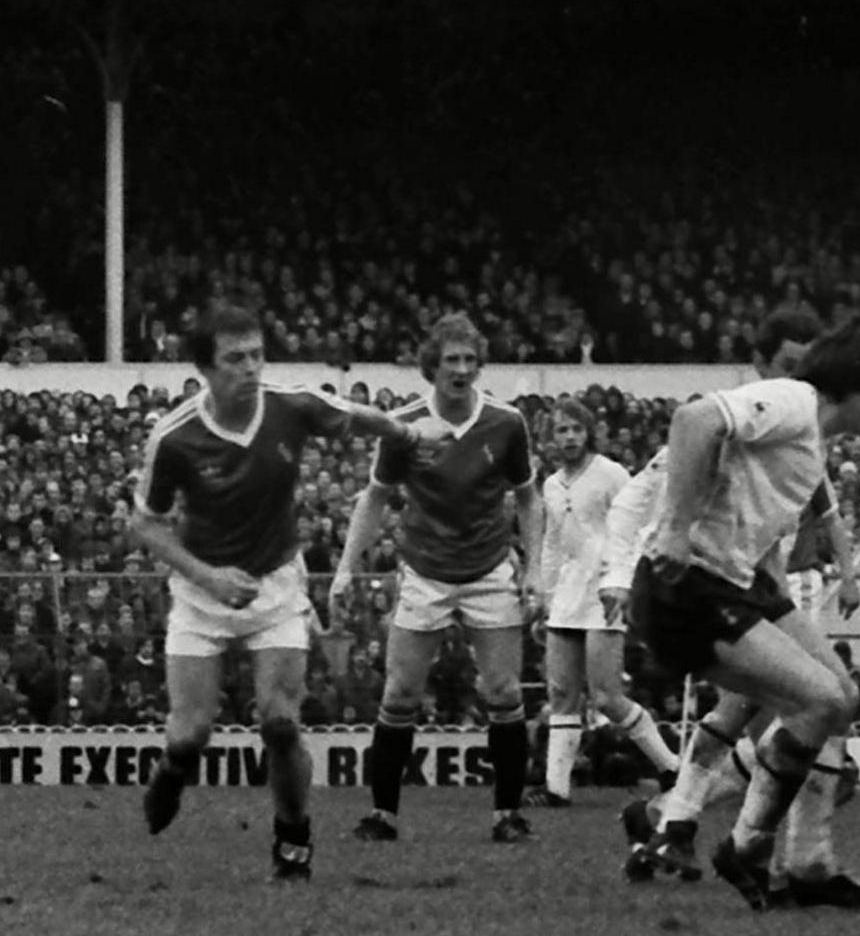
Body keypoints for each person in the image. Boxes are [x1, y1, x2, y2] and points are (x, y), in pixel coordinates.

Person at [135, 303, 453, 878]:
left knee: (279, 721)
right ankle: (172, 771)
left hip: (276, 581)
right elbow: (146, 524)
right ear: (205, 368)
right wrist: (207, 576)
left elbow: (357, 416)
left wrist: (408, 433)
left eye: (257, 354)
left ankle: (293, 837)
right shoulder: (175, 437)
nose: (251, 368)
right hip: (202, 591)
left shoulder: (290, 404)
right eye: (235, 359)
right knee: (190, 733)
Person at [629, 320, 860, 911]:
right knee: (822, 702)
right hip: (688, 590)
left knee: (841, 695)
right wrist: (677, 529)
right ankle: (746, 844)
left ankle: (806, 862)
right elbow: (694, 420)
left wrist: (775, 598)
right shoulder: (794, 401)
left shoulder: (813, 441)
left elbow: (749, 511)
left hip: (733, 585)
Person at [333, 314, 546, 845]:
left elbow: (528, 496)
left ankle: (508, 816)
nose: (461, 370)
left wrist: (536, 568)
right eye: (451, 360)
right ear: (432, 366)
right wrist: (345, 566)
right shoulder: (403, 425)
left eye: (470, 360)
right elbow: (376, 495)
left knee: (502, 691)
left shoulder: (505, 422)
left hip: (488, 567)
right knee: (401, 692)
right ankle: (383, 815)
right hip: (425, 570)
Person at [528, 396, 678, 805]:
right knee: (561, 694)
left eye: (577, 429)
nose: (571, 437)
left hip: (604, 591)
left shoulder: (611, 474)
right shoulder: (552, 484)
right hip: (567, 596)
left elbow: (637, 525)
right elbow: (553, 544)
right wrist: (544, 592)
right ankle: (556, 789)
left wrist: (623, 579)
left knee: (608, 696)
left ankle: (671, 767)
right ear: (551, 437)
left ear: (589, 432)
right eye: (562, 430)